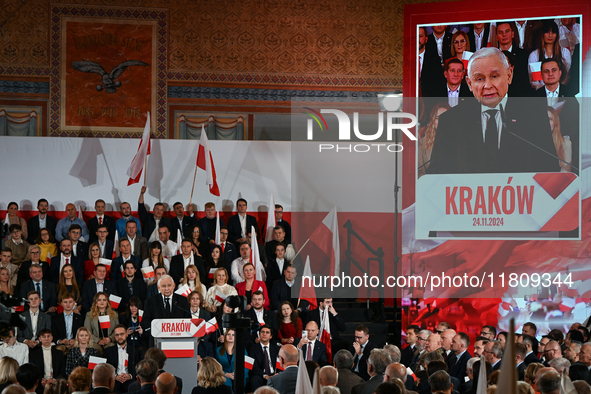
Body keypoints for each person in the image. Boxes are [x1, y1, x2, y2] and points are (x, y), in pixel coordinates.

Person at [428, 47, 558, 174]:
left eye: (494, 76)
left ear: (509, 75)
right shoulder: (450, 121)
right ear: (469, 83)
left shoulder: (535, 117)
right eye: (479, 79)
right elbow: (436, 177)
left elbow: (550, 172)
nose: (488, 85)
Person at [528, 20, 571, 90]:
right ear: (542, 34)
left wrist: (556, 89)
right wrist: (546, 90)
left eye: (553, 32)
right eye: (547, 32)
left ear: (557, 34)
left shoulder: (565, 52)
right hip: (541, 93)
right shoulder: (534, 55)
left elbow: (566, 76)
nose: (550, 35)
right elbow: (534, 81)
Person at [104, 325, 141, 393]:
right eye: (117, 335)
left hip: (130, 381)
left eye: (122, 334)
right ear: (114, 336)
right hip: (114, 381)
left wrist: (130, 376)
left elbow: (138, 368)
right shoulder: (108, 351)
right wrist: (115, 376)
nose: (119, 337)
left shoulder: (135, 351)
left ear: (127, 334)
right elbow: (106, 369)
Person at [418, 103, 450, 177]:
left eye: (446, 118)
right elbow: (419, 172)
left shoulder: (458, 143)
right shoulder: (422, 143)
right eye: (438, 118)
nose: (442, 122)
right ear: (433, 120)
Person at [248, 326, 281, 391]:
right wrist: (265, 376)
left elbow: (281, 364)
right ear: (259, 334)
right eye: (262, 332)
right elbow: (253, 367)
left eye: (267, 332)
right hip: (260, 375)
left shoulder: (277, 349)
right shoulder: (252, 349)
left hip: (274, 374)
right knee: (254, 380)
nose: (264, 334)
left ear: (270, 336)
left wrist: (277, 374)